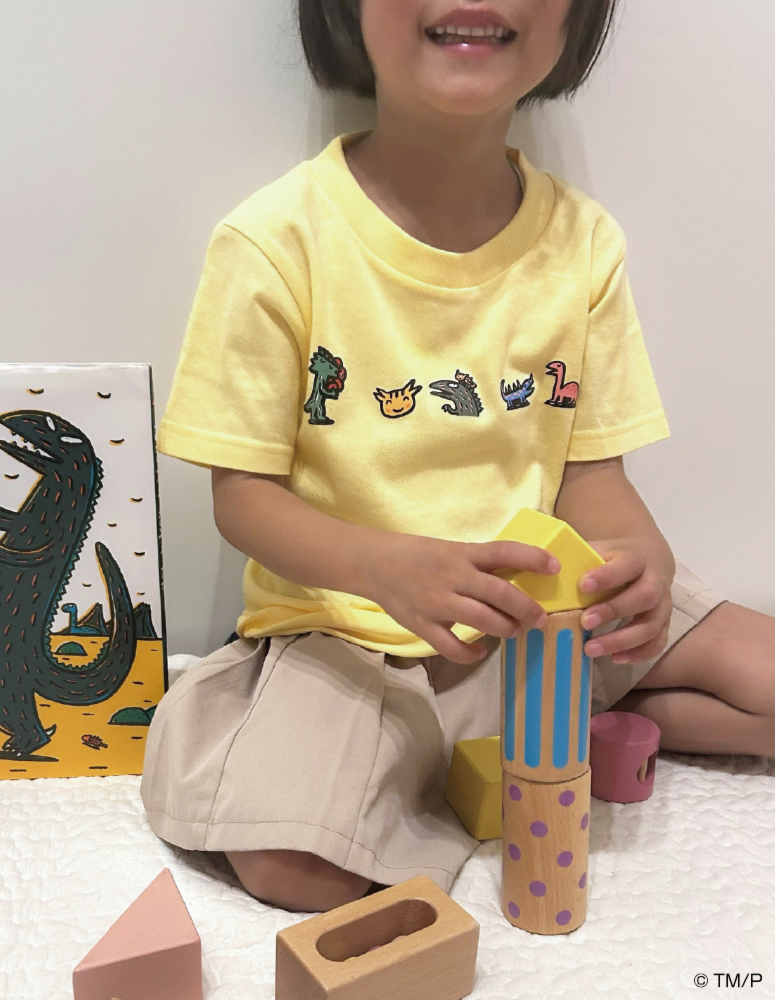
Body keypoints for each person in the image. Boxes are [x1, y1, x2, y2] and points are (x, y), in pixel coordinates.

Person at [141, 0, 775, 914]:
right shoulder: (275, 241)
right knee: (296, 869)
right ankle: (508, 738)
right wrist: (381, 566)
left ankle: (530, 729)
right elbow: (242, 498)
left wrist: (640, 561)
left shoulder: (584, 242)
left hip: (540, 611)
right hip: (352, 628)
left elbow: (592, 478)